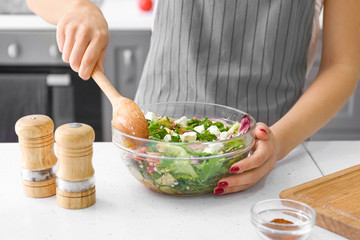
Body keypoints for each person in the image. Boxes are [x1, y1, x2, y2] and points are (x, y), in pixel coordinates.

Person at [27, 0, 360, 195]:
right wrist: (78, 8)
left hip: (267, 158)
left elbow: (343, 64)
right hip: (153, 154)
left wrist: (277, 145)